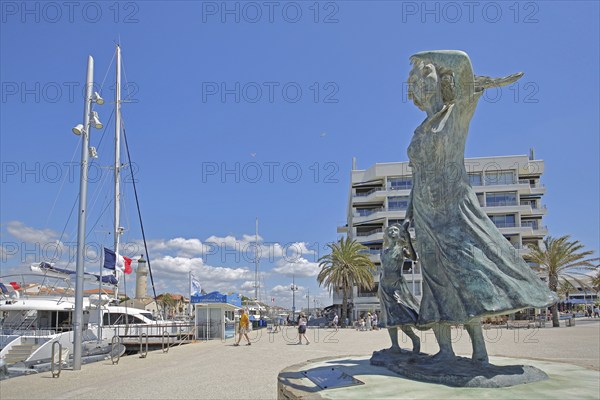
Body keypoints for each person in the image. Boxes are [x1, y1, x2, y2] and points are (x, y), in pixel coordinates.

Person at [404, 50, 557, 363]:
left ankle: (480, 352)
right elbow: (417, 179)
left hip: (454, 210)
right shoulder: (420, 131)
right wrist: (408, 218)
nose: (419, 82)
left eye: (426, 74)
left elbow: (462, 65)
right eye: (415, 79)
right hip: (424, 213)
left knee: (466, 274)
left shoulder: (456, 113)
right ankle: (445, 350)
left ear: (442, 79)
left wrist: (430, 56)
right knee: (435, 282)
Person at [379, 224, 421, 353]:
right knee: (390, 319)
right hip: (384, 287)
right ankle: (395, 346)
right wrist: (378, 289)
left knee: (403, 316)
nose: (392, 231)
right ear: (386, 234)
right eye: (390, 230)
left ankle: (415, 339)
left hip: (397, 286)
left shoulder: (401, 249)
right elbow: (382, 270)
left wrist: (408, 241)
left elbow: (414, 258)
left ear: (398, 234)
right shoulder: (383, 251)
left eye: (395, 230)